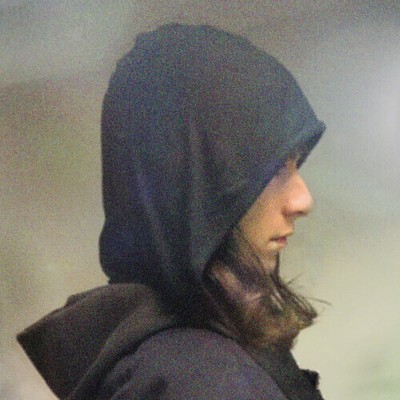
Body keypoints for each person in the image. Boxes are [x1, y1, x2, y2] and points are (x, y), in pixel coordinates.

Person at [18, 24, 326, 399]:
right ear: (191, 185)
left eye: (296, 163)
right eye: (275, 167)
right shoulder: (204, 382)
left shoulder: (173, 359)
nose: (302, 200)